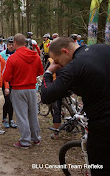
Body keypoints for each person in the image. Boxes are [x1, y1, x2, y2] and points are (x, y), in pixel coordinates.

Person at [41, 37, 110, 175]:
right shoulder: (104, 48)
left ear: (65, 51)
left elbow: (46, 95)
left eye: (58, 62)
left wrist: (49, 72)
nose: (59, 66)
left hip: (102, 126)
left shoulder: (74, 66)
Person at [3, 33, 43, 149]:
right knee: (33, 114)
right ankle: (35, 138)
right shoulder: (35, 56)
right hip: (31, 89)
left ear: (14, 43)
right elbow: (40, 71)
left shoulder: (12, 58)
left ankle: (25, 141)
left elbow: (6, 77)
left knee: (22, 116)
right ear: (25, 43)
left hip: (18, 89)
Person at [0, 37, 18, 128]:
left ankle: (11, 119)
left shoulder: (17, 54)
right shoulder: (2, 54)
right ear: (7, 45)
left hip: (15, 81)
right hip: (5, 81)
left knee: (12, 101)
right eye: (9, 44)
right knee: (8, 100)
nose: (11, 46)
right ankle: (4, 118)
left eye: (12, 44)